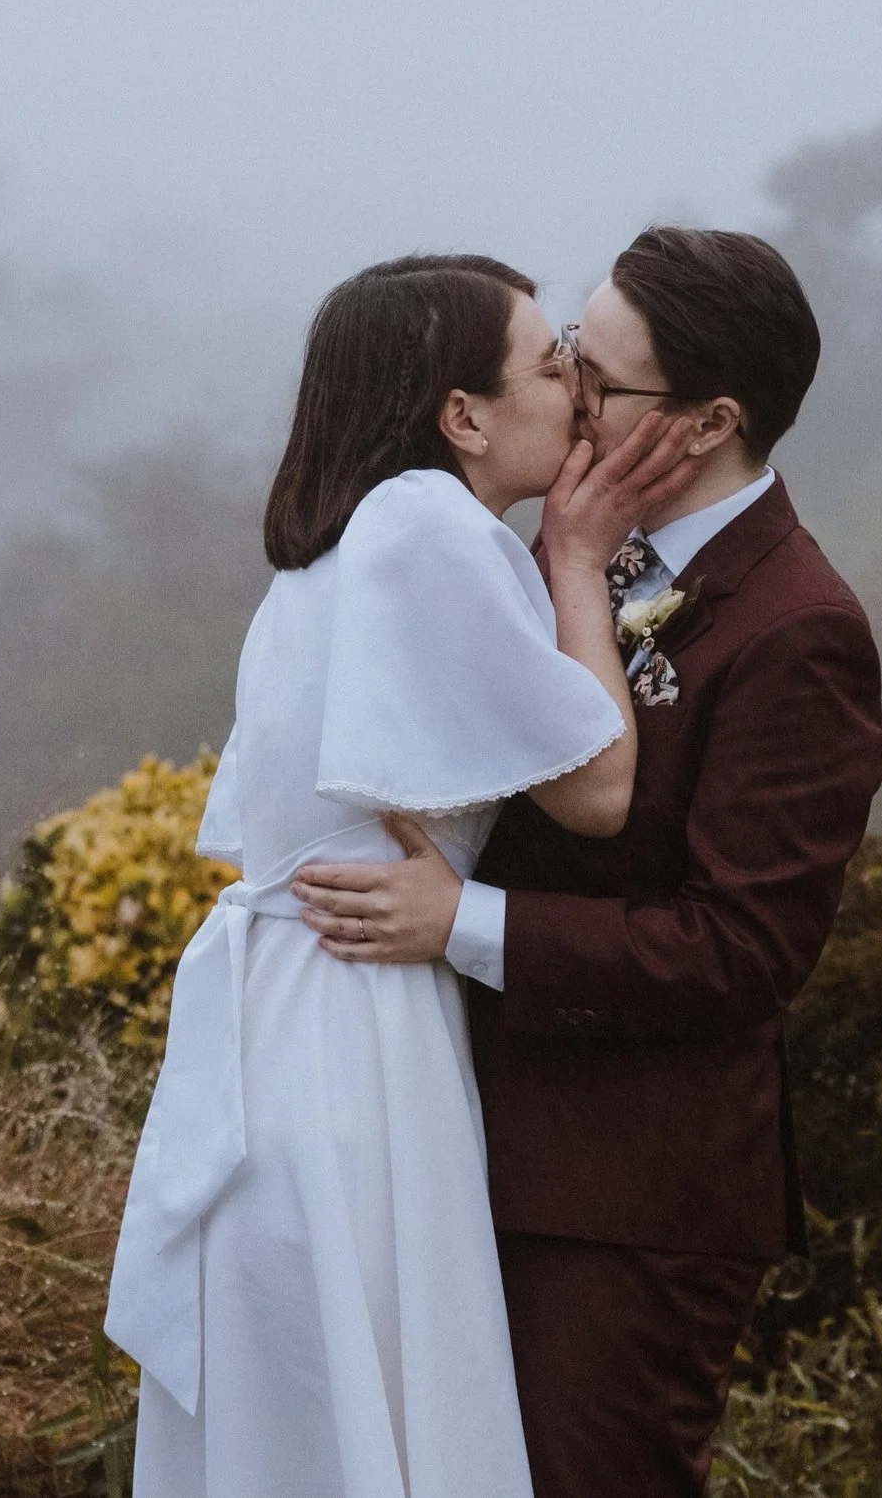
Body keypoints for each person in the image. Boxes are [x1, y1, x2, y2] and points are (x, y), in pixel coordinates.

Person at [293, 227, 882, 1498]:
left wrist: (460, 923)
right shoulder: (573, 549)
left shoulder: (801, 630)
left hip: (630, 1202)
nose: (568, 393)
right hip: (464, 1145)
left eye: (599, 379)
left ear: (709, 419)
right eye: (565, 357)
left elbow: (741, 952)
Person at [105, 253, 698, 1498]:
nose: (579, 393)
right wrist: (578, 557)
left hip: (293, 1010)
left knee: (311, 1409)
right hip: (356, 1029)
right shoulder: (432, 526)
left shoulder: (336, 546)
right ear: (462, 416)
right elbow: (596, 791)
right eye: (550, 366)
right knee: (381, 1391)